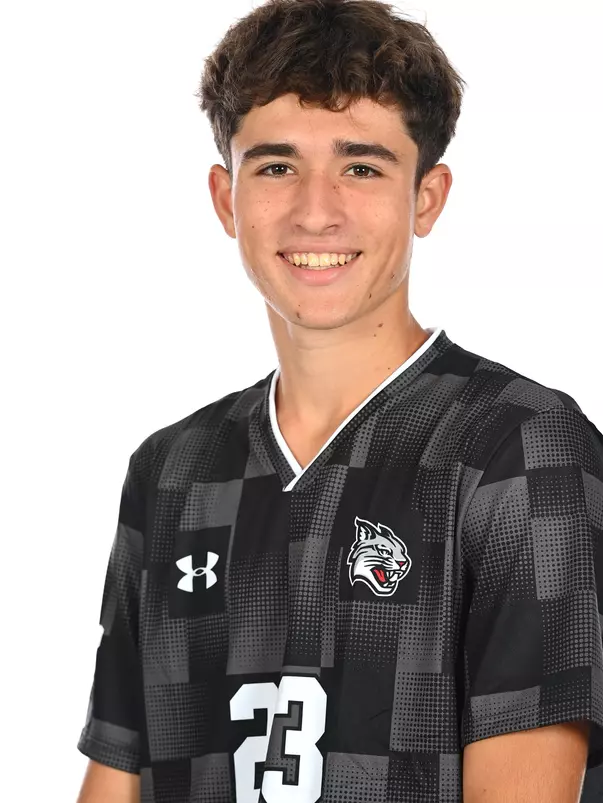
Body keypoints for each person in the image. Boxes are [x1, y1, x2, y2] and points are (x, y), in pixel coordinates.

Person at [75, 1, 603, 801]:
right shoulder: (171, 469)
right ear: (226, 197)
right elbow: (114, 778)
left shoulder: (518, 445)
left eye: (361, 166)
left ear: (427, 197)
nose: (314, 211)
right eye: (276, 165)